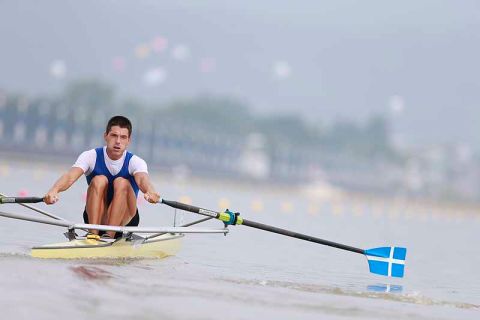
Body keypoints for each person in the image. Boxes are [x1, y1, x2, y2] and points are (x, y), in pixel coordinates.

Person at [44, 115, 160, 239]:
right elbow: (70, 176)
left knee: (121, 182)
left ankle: (109, 236)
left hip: (126, 220)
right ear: (106, 136)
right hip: (96, 218)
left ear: (128, 141)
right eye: (114, 135)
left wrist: (151, 191)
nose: (118, 141)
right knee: (99, 180)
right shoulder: (90, 156)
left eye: (123, 137)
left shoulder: (136, 162)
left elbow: (143, 180)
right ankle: (93, 236)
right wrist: (54, 190)